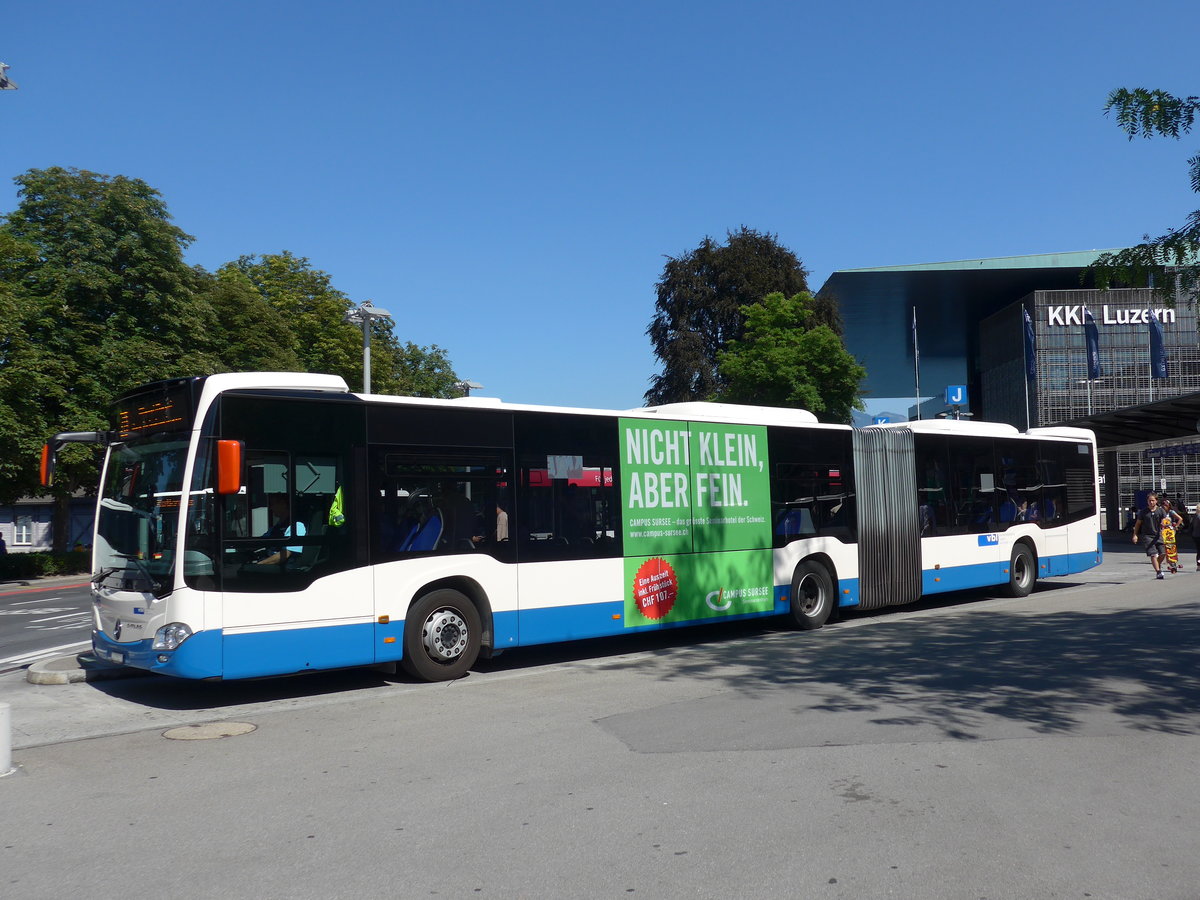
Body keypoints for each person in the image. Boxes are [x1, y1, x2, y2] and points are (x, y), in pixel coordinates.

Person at [255, 494, 306, 565]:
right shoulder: (277, 527)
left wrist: (259, 565)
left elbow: (285, 554)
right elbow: (261, 541)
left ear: (283, 504)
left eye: (273, 504)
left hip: (285, 568)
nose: (271, 508)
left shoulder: (297, 526)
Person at [1132, 493, 1169, 579]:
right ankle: (1158, 572)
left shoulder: (1160, 511)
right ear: (1147, 501)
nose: (1151, 502)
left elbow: (1165, 520)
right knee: (1153, 554)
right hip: (1147, 536)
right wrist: (1135, 535)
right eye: (1149, 501)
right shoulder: (1143, 512)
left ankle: (1157, 564)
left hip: (1159, 535)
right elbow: (1138, 524)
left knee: (1163, 553)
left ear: (1156, 501)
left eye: (1153, 500)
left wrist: (1165, 523)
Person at [1161, 499, 1184, 573]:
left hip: (1170, 532)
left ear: (1169, 506)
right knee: (1163, 547)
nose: (1164, 507)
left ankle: (1173, 564)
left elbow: (1180, 518)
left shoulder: (1171, 512)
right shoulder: (1160, 512)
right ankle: (1168, 563)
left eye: (1165, 505)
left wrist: (1176, 526)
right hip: (1162, 532)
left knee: (1171, 548)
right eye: (1163, 505)